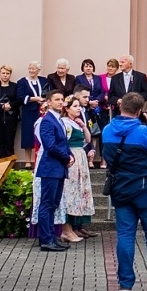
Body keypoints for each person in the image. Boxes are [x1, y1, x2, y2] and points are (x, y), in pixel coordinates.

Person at [102, 92, 147, 291]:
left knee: (125, 234)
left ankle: (125, 284)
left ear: (120, 106)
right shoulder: (142, 131)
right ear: (140, 111)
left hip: (120, 188)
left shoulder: (107, 131)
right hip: (144, 188)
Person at [32, 89, 73, 251]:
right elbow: (50, 146)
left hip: (59, 168)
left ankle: (51, 238)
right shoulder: (47, 120)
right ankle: (46, 240)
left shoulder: (59, 120)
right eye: (56, 99)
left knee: (53, 204)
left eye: (62, 99)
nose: (60, 102)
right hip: (50, 168)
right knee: (47, 204)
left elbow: (62, 143)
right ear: (48, 102)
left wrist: (70, 155)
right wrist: (66, 157)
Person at [59, 97, 96, 241]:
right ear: (67, 109)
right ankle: (67, 228)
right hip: (73, 156)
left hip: (81, 155)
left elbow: (87, 140)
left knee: (80, 189)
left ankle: (77, 225)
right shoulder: (64, 122)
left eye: (79, 106)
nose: (78, 108)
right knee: (71, 189)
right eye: (75, 106)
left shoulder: (77, 122)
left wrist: (84, 126)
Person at [77, 60, 109, 165]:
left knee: (97, 132)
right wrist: (88, 102)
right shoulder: (79, 78)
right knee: (88, 132)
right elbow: (78, 91)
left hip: (98, 109)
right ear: (83, 68)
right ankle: (89, 159)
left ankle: (99, 158)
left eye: (90, 66)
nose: (88, 68)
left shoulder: (97, 78)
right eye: (86, 66)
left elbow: (101, 92)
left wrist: (97, 101)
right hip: (86, 109)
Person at [0, 66, 23, 160]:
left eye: (7, 73)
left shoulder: (15, 86)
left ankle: (9, 166)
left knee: (9, 141)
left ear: (10, 75)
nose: (5, 75)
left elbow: (19, 100)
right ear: (0, 74)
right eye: (3, 73)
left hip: (11, 118)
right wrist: (2, 106)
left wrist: (10, 105)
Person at [17, 63, 47, 166]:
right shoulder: (22, 82)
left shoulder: (44, 80)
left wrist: (43, 100)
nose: (32, 70)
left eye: (34, 69)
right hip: (28, 111)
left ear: (38, 70)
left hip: (42, 110)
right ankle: (28, 161)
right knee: (28, 134)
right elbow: (20, 96)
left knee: (42, 133)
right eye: (30, 68)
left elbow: (48, 92)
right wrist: (34, 99)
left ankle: (40, 159)